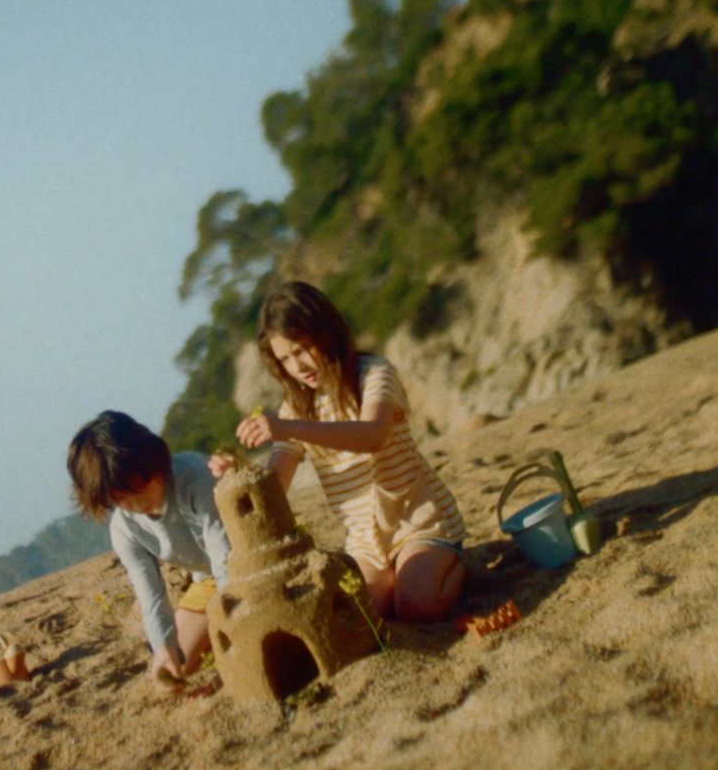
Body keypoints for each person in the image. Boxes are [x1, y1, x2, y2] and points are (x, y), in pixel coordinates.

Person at [214, 281, 467, 623]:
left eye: (302, 348)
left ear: (326, 332)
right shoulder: (296, 406)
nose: (297, 365)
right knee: (365, 617)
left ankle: (461, 565)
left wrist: (288, 427)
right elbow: (275, 486)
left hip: (419, 522)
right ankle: (415, 573)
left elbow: (372, 435)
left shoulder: (375, 374)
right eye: (285, 358)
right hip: (365, 543)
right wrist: (239, 473)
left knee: (415, 606)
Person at [68, 411, 231, 687]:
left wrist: (232, 633)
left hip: (245, 562)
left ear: (152, 460)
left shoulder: (195, 478)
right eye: (120, 498)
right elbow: (152, 599)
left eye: (138, 486)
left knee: (245, 633)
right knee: (176, 666)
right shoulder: (124, 529)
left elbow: (225, 559)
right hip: (207, 581)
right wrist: (163, 647)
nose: (135, 503)